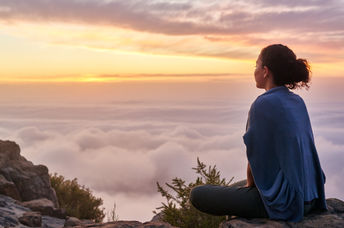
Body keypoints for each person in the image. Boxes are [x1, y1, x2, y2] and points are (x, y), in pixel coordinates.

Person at [189, 44, 327, 222]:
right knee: (233, 187)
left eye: (256, 65)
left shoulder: (262, 105)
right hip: (311, 196)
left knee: (198, 194)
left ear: (265, 71)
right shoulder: (297, 101)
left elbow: (256, 160)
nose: (254, 71)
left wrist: (250, 188)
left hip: (288, 203)